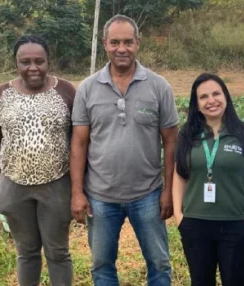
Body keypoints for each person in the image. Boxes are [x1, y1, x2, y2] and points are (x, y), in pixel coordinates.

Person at [69, 14, 179, 286]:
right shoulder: (87, 88)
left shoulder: (158, 86)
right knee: (102, 265)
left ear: (138, 43)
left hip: (148, 195)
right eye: (115, 42)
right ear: (105, 43)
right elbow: (79, 143)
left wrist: (168, 190)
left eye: (128, 42)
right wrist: (77, 192)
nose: (122, 48)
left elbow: (171, 141)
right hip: (100, 197)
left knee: (159, 263)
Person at [0, 35, 76, 286]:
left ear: (48, 62)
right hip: (14, 185)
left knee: (57, 252)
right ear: (16, 63)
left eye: (39, 61)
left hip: (57, 184)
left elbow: (79, 138)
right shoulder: (2, 94)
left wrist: (79, 184)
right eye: (25, 62)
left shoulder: (66, 91)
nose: (33, 67)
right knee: (26, 252)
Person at [173, 73, 244, 286]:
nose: (211, 101)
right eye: (203, 97)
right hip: (195, 224)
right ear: (196, 104)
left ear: (226, 97)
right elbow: (179, 176)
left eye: (216, 93)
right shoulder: (187, 135)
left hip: (235, 224)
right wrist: (179, 216)